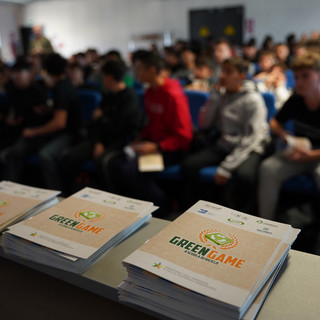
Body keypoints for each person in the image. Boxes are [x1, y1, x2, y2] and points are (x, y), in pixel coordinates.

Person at [180, 57, 270, 213]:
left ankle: (245, 216)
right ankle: (197, 210)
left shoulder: (253, 99)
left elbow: (252, 138)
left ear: (241, 76)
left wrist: (227, 167)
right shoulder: (222, 96)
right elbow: (204, 124)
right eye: (222, 71)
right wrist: (214, 98)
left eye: (229, 72)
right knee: (189, 165)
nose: (223, 76)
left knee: (244, 176)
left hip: (251, 146)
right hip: (225, 144)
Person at [109, 50, 193, 215]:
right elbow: (152, 123)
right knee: (116, 164)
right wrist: (140, 139)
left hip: (171, 150)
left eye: (139, 69)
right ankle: (135, 210)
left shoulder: (173, 95)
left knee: (130, 171)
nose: (136, 73)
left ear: (152, 70)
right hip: (154, 144)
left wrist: (156, 147)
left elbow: (184, 137)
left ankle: (164, 209)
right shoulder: (150, 92)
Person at [0, 53, 82, 190]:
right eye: (14, 73)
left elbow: (59, 122)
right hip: (33, 132)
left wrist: (33, 132)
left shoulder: (57, 88)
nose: (16, 76)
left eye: (20, 72)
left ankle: (57, 192)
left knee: (44, 155)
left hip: (69, 134)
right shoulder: (60, 86)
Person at [62, 60, 143, 194]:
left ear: (109, 77)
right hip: (101, 139)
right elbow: (97, 123)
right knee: (68, 157)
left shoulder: (130, 97)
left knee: (103, 162)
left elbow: (121, 126)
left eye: (103, 76)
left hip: (120, 142)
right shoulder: (107, 96)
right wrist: (98, 141)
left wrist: (103, 117)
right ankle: (72, 193)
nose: (102, 79)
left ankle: (112, 198)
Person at [258, 51, 320, 220]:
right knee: (268, 168)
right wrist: (283, 133)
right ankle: (266, 226)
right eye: (297, 77)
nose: (299, 82)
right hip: (300, 153)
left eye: (305, 76)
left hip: (316, 156)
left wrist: (311, 155)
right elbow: (274, 122)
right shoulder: (296, 100)